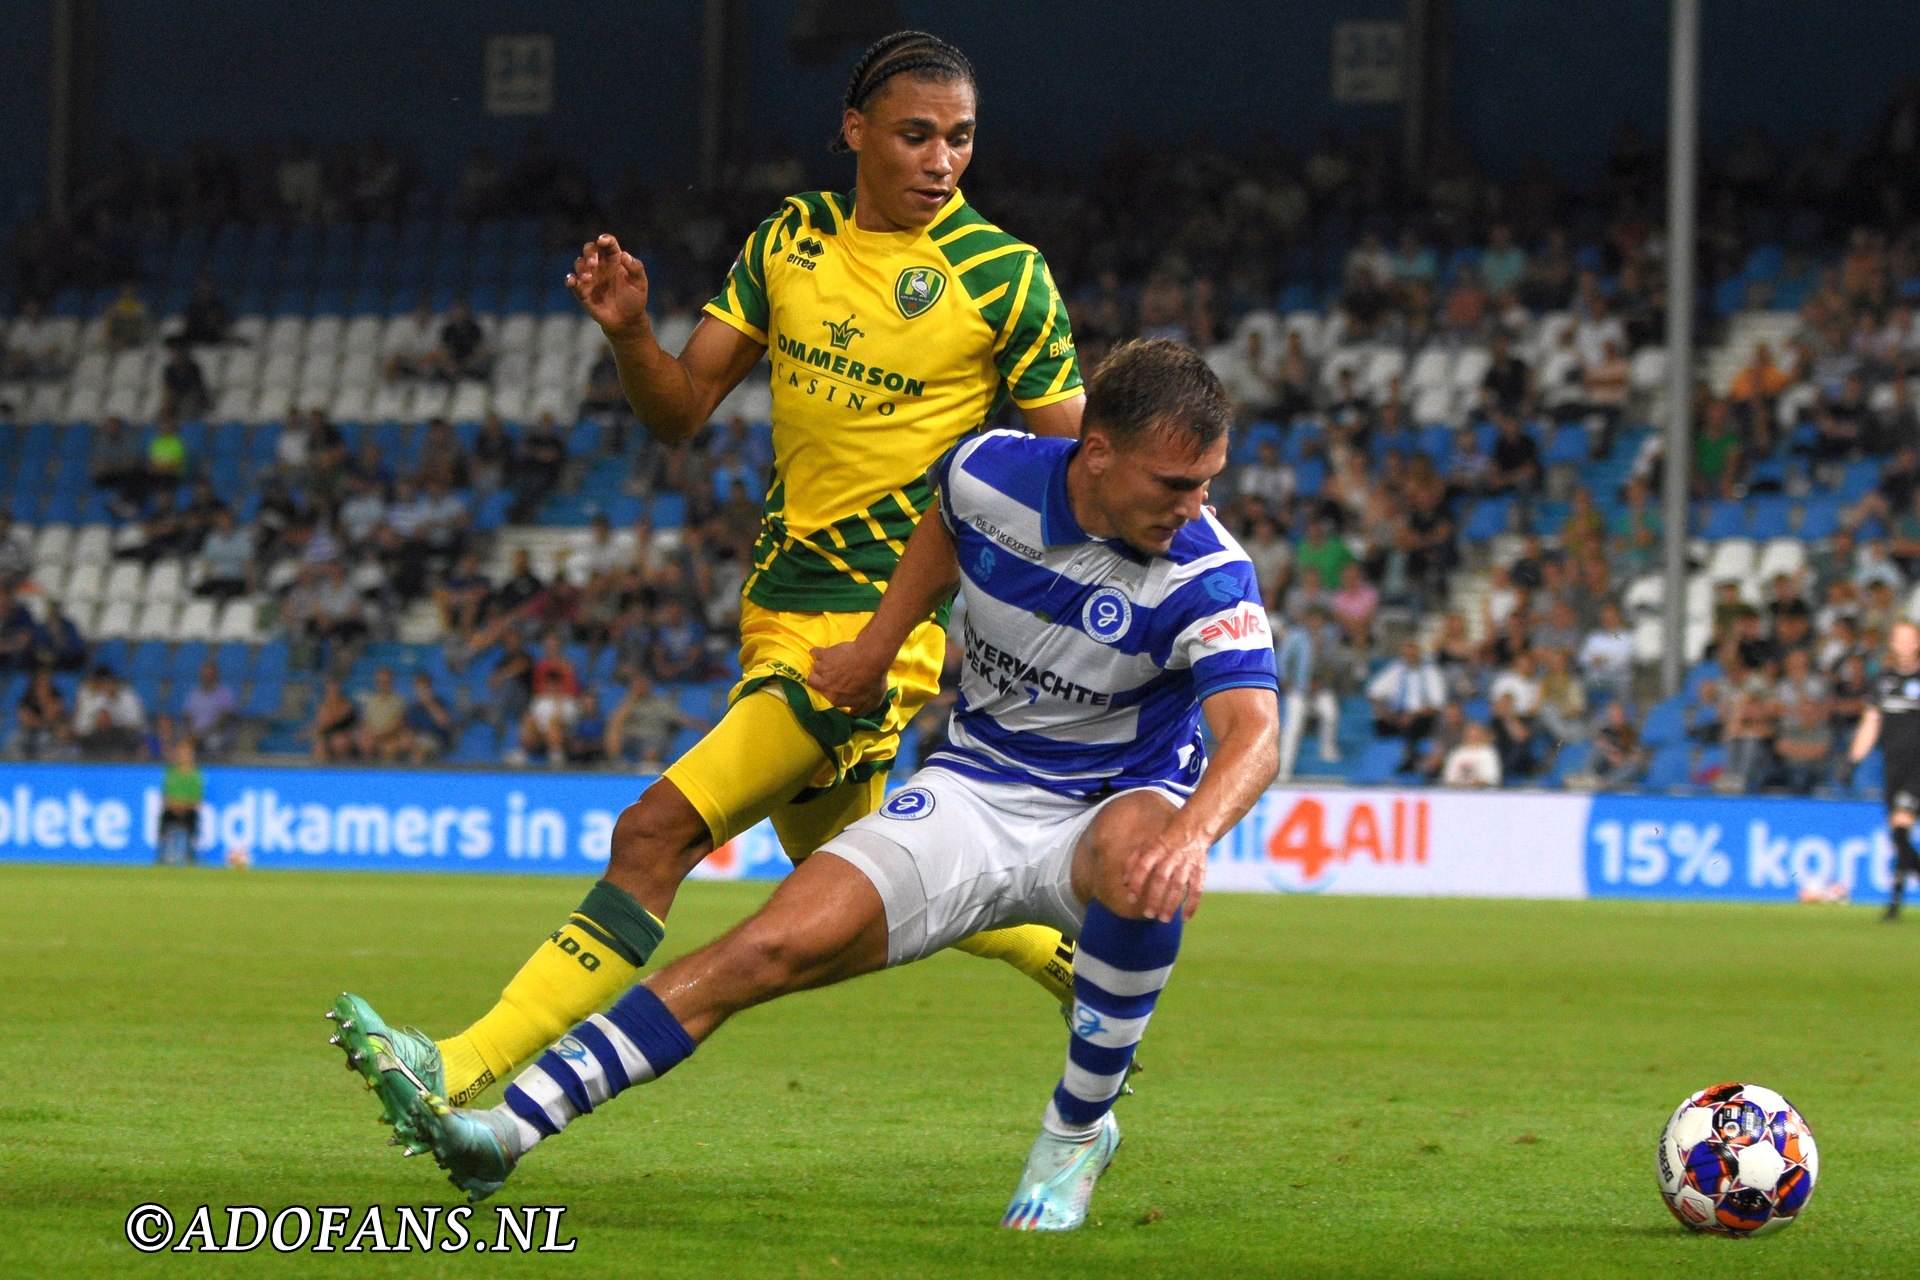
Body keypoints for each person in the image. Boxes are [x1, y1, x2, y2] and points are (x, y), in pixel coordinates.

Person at [339, 339, 1280, 1232]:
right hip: (975, 789)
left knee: (1142, 855)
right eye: (1176, 483)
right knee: (764, 947)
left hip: (1110, 804)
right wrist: (876, 648)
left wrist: (1193, 835)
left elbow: (1255, 735)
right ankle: (508, 1130)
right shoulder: (987, 470)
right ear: (1098, 453)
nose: (1196, 506)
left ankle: (1074, 1133)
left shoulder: (1209, 573)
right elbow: (944, 530)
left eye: (1207, 482)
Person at [326, 32, 1090, 1117]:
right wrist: (633, 331)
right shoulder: (790, 239)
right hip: (773, 612)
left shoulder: (1005, 279)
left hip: (871, 641)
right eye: (916, 134)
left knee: (653, 832)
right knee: (880, 871)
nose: (941, 160)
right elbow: (679, 409)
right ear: (855, 130)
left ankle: (455, 1065)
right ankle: (1082, 966)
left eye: (959, 138)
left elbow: (1076, 478)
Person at [1847, 620, 1920, 920]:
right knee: (1897, 834)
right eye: (1899, 640)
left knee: (1901, 828)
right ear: (1892, 643)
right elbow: (1872, 721)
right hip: (1894, 767)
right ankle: (1895, 902)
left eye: (1910, 639)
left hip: (1919, 766)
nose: (1904, 645)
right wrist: (1853, 758)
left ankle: (1895, 901)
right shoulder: (1883, 681)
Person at [73, 666, 147, 760]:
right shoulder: (99, 696)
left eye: (108, 683)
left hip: (129, 733)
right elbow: (82, 727)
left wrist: (113, 724)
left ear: (114, 683)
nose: (106, 687)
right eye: (102, 684)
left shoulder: (128, 696)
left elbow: (136, 724)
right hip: (101, 734)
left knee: (122, 739)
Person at [156, 739, 204, 866]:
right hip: (172, 810)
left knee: (193, 818)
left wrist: (182, 806)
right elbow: (166, 798)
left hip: (188, 811)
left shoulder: (195, 776)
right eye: (181, 753)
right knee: (164, 817)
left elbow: (197, 801)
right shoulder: (170, 773)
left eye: (186, 753)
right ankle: (161, 856)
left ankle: (190, 856)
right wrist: (176, 806)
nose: (183, 756)